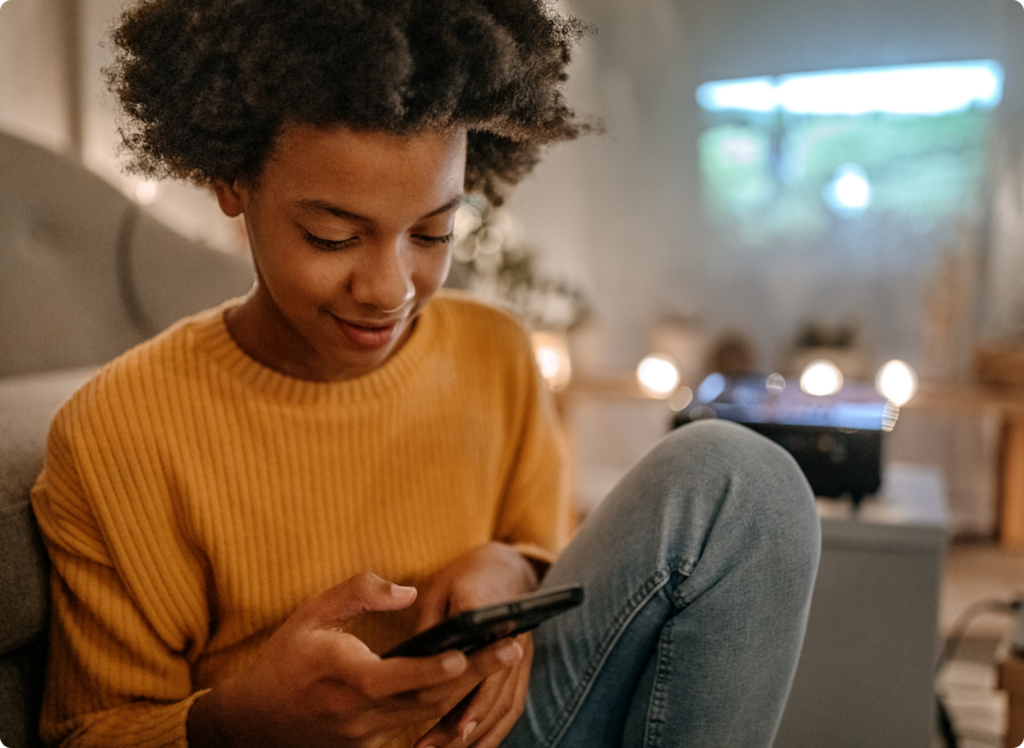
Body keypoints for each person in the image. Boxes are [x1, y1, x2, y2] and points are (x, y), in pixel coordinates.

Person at [30, 1, 821, 747]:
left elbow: (545, 550)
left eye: (434, 233)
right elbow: (86, 732)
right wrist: (242, 722)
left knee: (743, 476)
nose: (391, 290)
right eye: (332, 237)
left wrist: (511, 566)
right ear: (232, 183)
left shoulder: (495, 353)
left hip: (502, 729)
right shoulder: (119, 432)